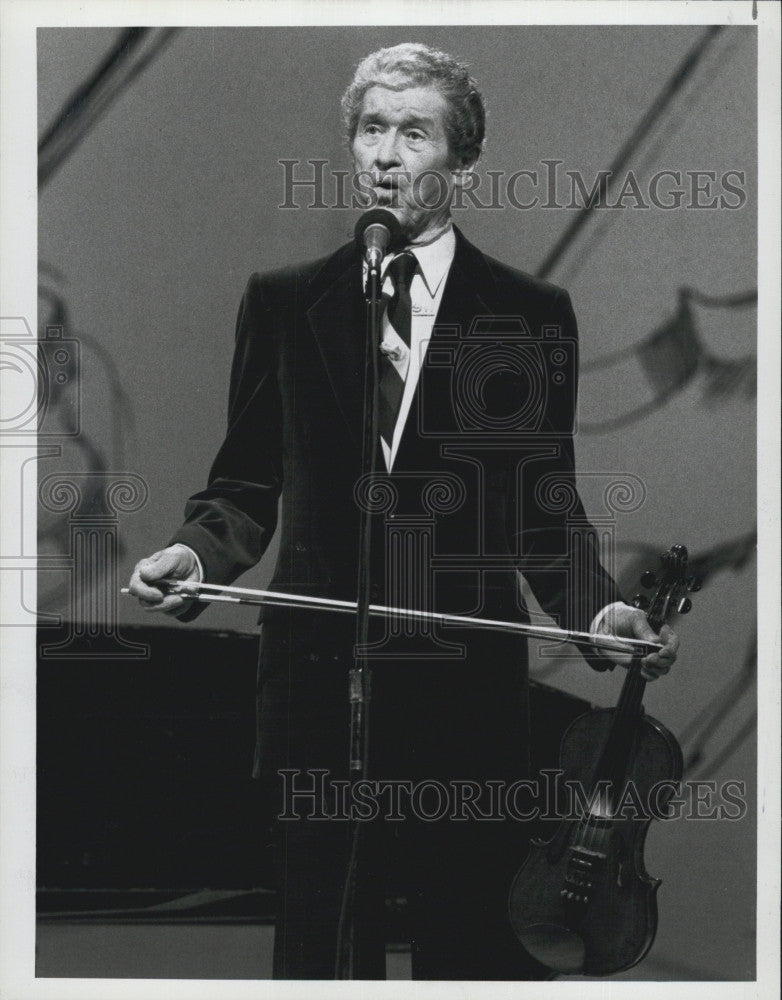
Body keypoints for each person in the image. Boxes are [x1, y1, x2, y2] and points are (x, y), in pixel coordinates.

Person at [128, 43, 678, 980]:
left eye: (412, 132)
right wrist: (197, 554)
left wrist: (596, 613)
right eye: (371, 129)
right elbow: (243, 485)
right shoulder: (285, 301)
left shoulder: (527, 312)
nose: (385, 153)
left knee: (463, 955)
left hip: (461, 700)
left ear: (461, 163)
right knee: (320, 958)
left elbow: (542, 507)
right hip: (313, 693)